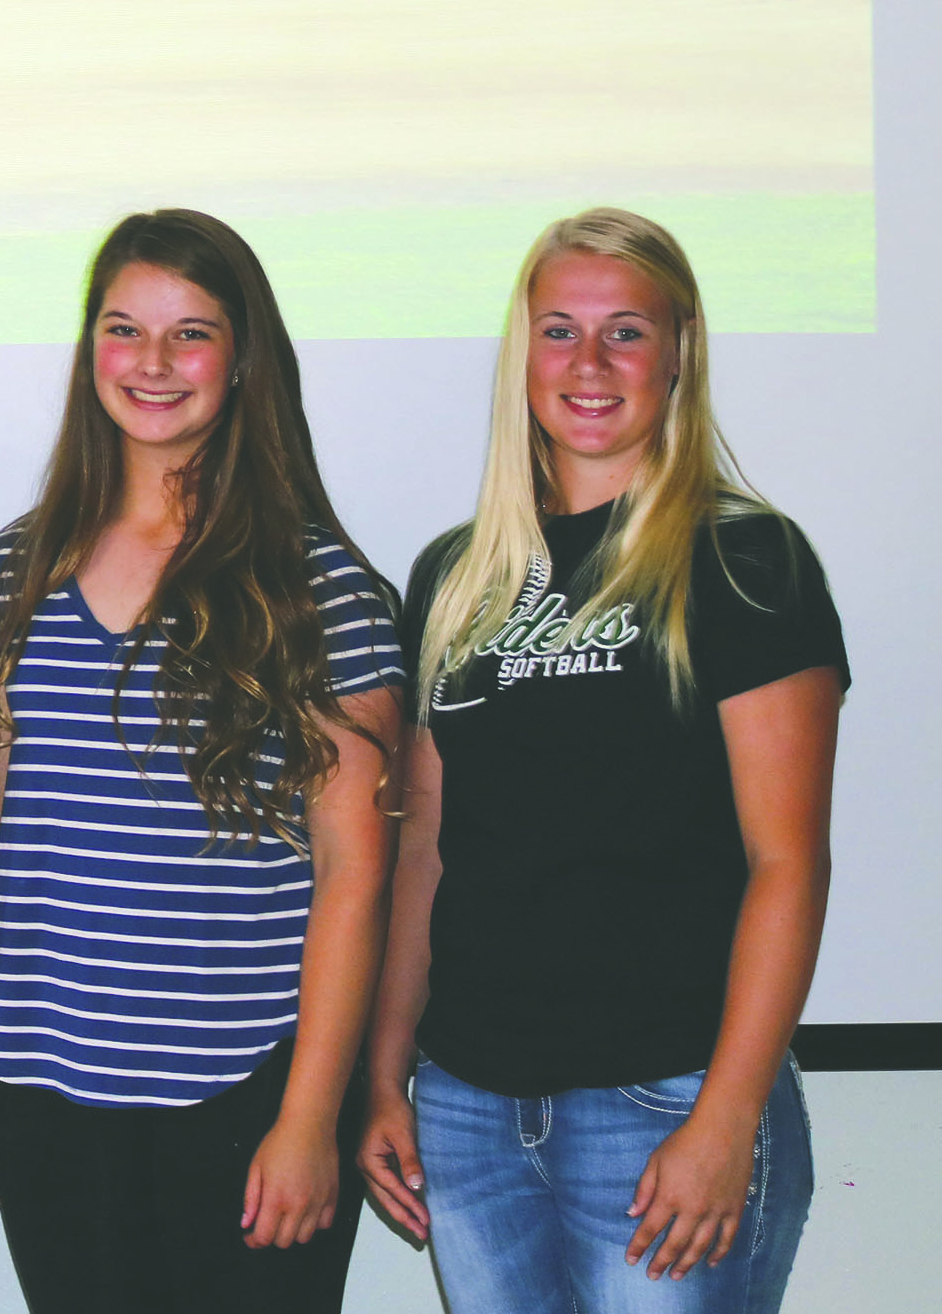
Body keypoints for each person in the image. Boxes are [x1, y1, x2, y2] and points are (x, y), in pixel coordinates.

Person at [357, 208, 843, 1314]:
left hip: (665, 1095)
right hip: (471, 1106)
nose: (588, 363)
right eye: (559, 329)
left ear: (679, 355)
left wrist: (726, 1118)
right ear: (520, 352)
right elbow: (429, 846)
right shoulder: (454, 575)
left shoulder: (745, 561)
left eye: (626, 331)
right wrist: (389, 1075)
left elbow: (788, 866)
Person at [0, 210, 405, 1313]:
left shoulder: (322, 587)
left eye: (189, 333)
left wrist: (308, 1117)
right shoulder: (15, 573)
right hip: (49, 1097)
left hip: (252, 1097)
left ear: (243, 360)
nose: (152, 364)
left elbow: (355, 875)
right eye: (122, 328)